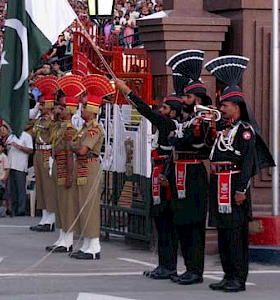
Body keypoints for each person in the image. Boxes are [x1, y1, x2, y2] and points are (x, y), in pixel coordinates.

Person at [204, 56, 275, 293]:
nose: (221, 109)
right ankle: (227, 274)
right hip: (218, 184)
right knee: (224, 232)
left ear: (236, 106)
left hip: (233, 185)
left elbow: (247, 163)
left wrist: (240, 189)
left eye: (225, 105)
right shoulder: (224, 129)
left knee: (236, 234)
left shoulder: (245, 131)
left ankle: (238, 278)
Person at [115, 74, 186, 279]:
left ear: (173, 111)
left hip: (165, 176)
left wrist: (127, 91)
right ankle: (164, 264)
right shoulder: (165, 125)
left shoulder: (169, 125)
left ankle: (168, 266)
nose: (160, 111)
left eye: (164, 108)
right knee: (161, 223)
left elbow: (146, 111)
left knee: (166, 224)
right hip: (158, 174)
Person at [165, 50, 213, 284]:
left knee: (194, 223)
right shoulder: (187, 119)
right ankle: (188, 267)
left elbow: (196, 141)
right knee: (181, 221)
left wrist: (177, 138)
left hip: (193, 172)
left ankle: (196, 270)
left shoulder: (204, 119)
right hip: (180, 171)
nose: (183, 100)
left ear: (198, 98)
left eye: (187, 97)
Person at [69, 75, 109, 260]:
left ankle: (94, 246)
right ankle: (86, 244)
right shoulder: (85, 128)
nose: (81, 109)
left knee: (89, 207)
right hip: (82, 167)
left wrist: (73, 147)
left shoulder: (93, 129)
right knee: (81, 206)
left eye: (84, 106)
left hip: (89, 167)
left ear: (92, 109)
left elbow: (83, 149)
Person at [46, 74, 85, 253]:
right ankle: (62, 236)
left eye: (61, 108)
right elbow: (48, 133)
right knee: (59, 202)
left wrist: (70, 174)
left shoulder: (69, 129)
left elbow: (70, 152)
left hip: (64, 166)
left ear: (69, 110)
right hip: (57, 165)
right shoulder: (60, 126)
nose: (57, 110)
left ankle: (68, 239)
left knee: (66, 203)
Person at [30, 75, 58, 231]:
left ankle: (51, 218)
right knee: (40, 184)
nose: (39, 106)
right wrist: (35, 110)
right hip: (38, 153)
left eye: (41, 104)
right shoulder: (39, 119)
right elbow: (27, 123)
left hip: (48, 152)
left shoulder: (52, 120)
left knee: (48, 186)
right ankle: (44, 216)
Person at [7, 123, 34, 217]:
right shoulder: (11, 136)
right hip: (11, 165)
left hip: (20, 165)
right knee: (12, 188)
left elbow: (31, 150)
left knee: (20, 188)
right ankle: (13, 208)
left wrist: (20, 147)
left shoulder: (26, 136)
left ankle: (21, 209)